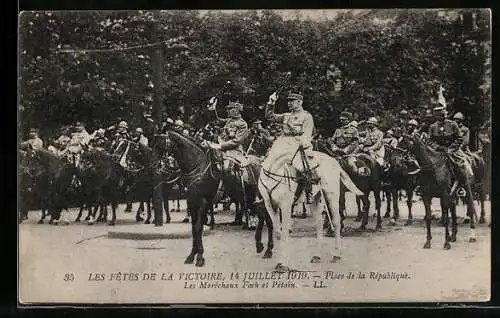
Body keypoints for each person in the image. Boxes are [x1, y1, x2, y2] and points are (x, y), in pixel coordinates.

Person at [263, 91, 318, 204]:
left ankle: (308, 191)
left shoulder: (306, 116)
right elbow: (269, 116)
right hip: (283, 142)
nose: (290, 103)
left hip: (299, 144)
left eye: (292, 101)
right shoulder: (286, 116)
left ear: (300, 102)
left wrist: (299, 144)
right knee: (267, 161)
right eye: (288, 101)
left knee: (303, 167)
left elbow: (307, 135)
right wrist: (271, 102)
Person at [428, 105, 474, 196]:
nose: (441, 116)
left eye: (442, 114)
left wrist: (451, 149)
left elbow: (459, 138)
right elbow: (429, 140)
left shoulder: (453, 124)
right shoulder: (433, 127)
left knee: (461, 164)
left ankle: (462, 186)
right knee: (425, 164)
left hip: (453, 150)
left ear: (445, 114)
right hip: (438, 151)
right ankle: (424, 187)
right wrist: (438, 147)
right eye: (438, 115)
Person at [207, 101, 250, 171]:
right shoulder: (229, 120)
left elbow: (236, 141)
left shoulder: (243, 124)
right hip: (220, 146)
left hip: (233, 151)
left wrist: (221, 146)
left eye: (230, 109)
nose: (227, 111)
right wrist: (212, 109)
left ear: (236, 111)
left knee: (226, 168)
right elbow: (216, 120)